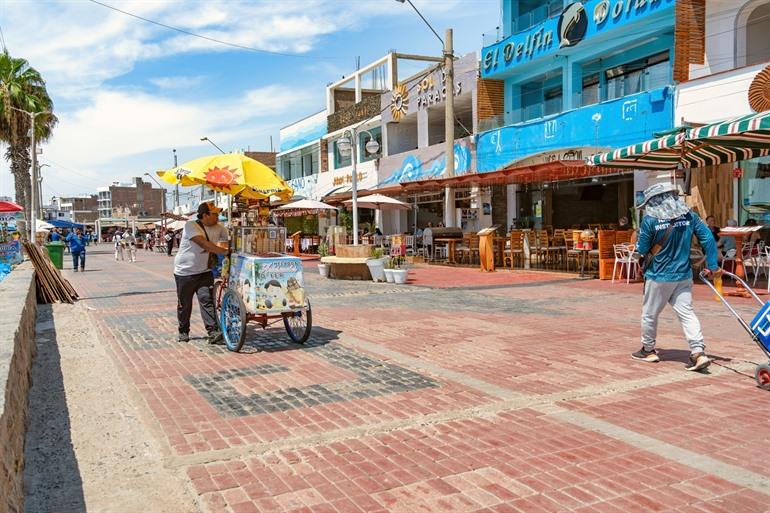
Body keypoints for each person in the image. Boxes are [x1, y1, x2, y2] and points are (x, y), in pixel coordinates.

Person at [633, 183, 718, 372]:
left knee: (650, 314)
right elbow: (709, 239)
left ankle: (648, 350)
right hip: (683, 275)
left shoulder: (650, 221)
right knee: (687, 313)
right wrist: (712, 265)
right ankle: (698, 352)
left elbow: (643, 249)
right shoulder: (690, 217)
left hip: (659, 276)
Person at [173, 202, 228, 344]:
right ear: (205, 215)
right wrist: (224, 252)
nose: (218, 217)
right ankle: (183, 330)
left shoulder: (220, 228)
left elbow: (229, 241)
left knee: (207, 301)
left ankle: (213, 331)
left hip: (205, 271)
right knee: (185, 304)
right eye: (215, 214)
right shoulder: (190, 226)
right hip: (185, 273)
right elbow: (203, 243)